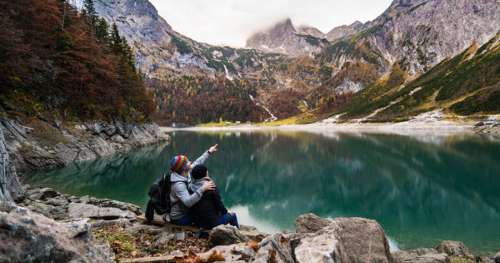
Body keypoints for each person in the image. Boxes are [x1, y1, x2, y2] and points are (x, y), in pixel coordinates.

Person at [169, 144, 218, 226]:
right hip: (180, 218)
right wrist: (202, 188)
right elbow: (188, 202)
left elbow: (197, 162)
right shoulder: (178, 185)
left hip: (186, 211)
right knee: (206, 216)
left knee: (207, 212)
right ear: (184, 168)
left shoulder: (184, 172)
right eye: (188, 162)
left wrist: (209, 152)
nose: (190, 162)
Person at [189, 165, 239, 229]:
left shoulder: (191, 187)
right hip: (211, 223)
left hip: (197, 222)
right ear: (205, 174)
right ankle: (238, 236)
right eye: (207, 172)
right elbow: (219, 205)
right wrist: (226, 212)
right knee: (232, 215)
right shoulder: (211, 187)